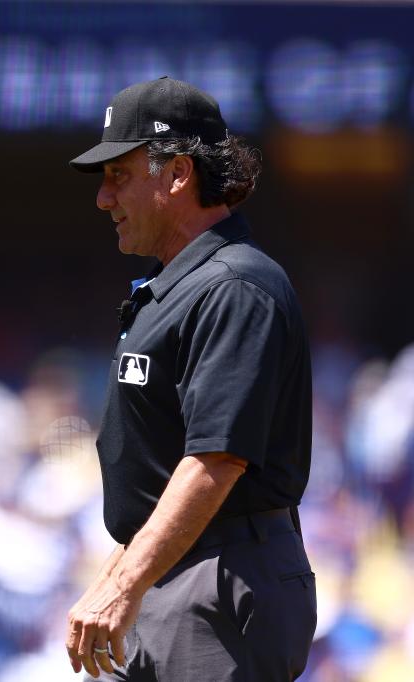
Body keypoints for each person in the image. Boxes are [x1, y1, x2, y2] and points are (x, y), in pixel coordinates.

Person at [64, 77, 317, 681]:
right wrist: (116, 577)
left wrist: (123, 584)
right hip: (178, 568)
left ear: (177, 175)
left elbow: (216, 459)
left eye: (118, 175)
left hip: (220, 575)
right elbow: (162, 468)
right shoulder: (180, 285)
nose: (103, 198)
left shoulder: (233, 286)